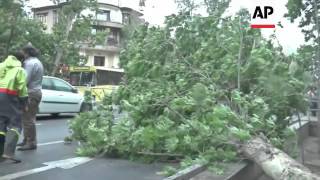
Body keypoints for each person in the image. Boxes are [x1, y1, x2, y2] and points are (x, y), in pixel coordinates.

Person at [0, 52, 28, 163]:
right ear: (21, 60)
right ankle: (8, 153)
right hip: (9, 98)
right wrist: (24, 104)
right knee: (15, 125)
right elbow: (22, 89)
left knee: (0, 125)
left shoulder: (1, 65)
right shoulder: (19, 70)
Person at [17, 45, 44, 151]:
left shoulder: (29, 63)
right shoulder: (37, 62)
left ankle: (31, 142)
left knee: (28, 119)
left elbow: (24, 80)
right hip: (35, 92)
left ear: (27, 53)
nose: (21, 54)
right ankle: (27, 140)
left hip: (30, 93)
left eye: (22, 52)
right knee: (27, 118)